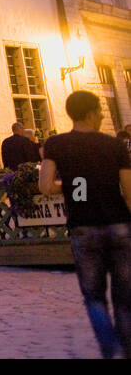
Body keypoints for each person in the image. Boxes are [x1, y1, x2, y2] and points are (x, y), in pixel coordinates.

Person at [39, 89, 131, 359]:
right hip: (119, 226)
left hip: (83, 227)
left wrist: (69, 186)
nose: (102, 115)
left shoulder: (56, 145)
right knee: (125, 299)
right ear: (92, 113)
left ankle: (110, 349)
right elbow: (128, 192)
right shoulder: (114, 145)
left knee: (93, 297)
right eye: (100, 111)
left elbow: (45, 186)